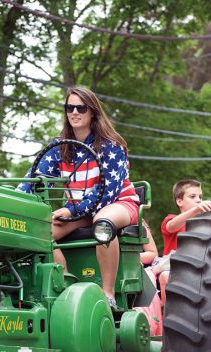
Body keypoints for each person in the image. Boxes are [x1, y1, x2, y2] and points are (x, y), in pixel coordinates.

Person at [17, 86, 140, 308]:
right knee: (40, 232)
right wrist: (13, 201)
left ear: (92, 111)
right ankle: (65, 285)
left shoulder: (111, 146)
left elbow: (106, 192)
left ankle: (108, 295)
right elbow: (34, 180)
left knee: (103, 223)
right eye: (69, 107)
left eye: (80, 108)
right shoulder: (60, 148)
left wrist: (72, 210)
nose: (74, 112)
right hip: (81, 210)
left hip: (117, 203)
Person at [159, 179, 211, 306]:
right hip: (175, 267)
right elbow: (171, 226)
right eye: (192, 196)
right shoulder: (171, 219)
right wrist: (196, 210)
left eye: (200, 196)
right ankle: (164, 313)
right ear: (179, 201)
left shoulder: (205, 224)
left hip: (201, 268)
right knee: (166, 275)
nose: (198, 200)